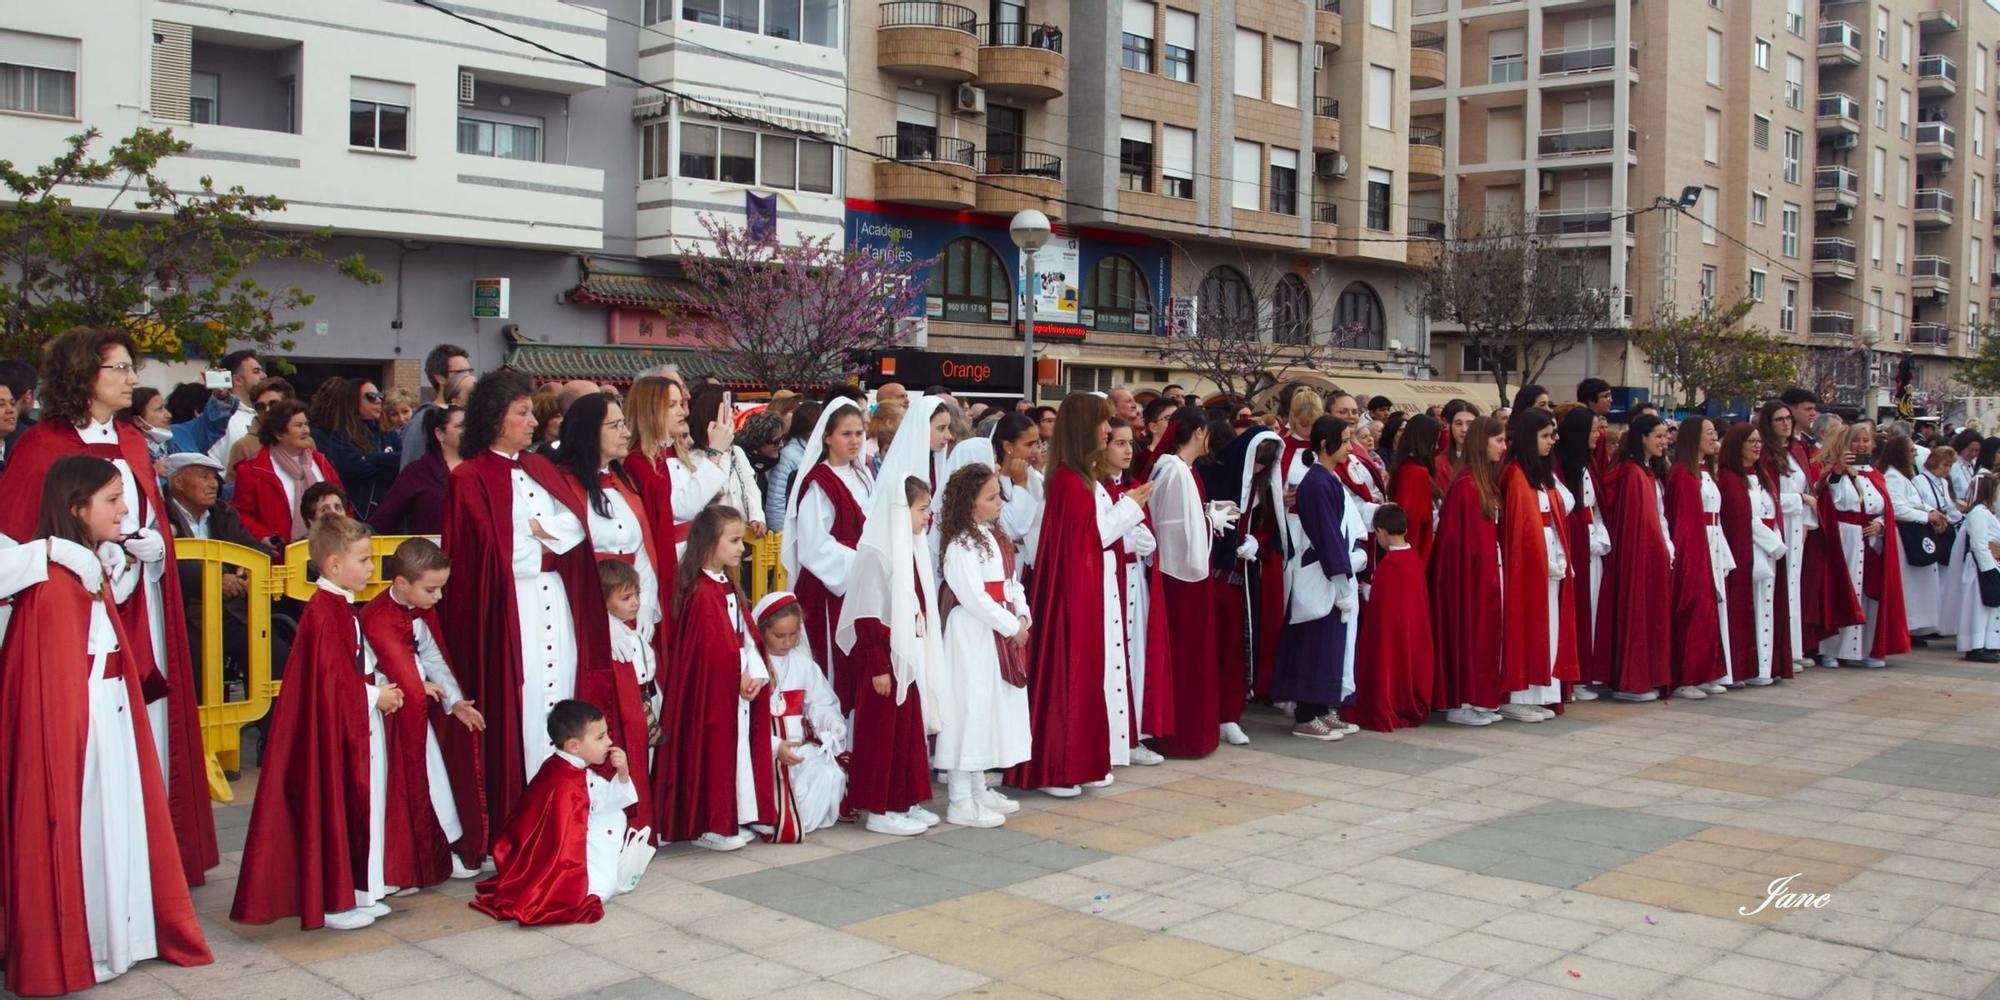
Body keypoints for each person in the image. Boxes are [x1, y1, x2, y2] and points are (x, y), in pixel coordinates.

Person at [0, 327, 217, 885]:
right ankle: (91, 868)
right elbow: (20, 536)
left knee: (148, 727)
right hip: (77, 619)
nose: (131, 378)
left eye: (129, 367)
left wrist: (153, 548)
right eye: (118, 368)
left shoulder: (132, 440)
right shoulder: (43, 445)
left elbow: (147, 518)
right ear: (82, 376)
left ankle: (150, 857)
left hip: (141, 606)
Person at [0, 455, 213, 994]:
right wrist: (53, 550)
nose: (125, 509)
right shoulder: (48, 576)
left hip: (111, 709)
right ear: (77, 508)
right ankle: (88, 940)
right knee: (84, 824)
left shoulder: (85, 563)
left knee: (118, 820)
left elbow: (108, 616)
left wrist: (126, 560)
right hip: (81, 716)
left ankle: (125, 935)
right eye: (113, 500)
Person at [438, 370, 614, 853]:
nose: (532, 421)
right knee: (526, 703)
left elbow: (574, 525)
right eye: (522, 413)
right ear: (496, 419)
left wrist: (542, 540)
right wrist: (539, 544)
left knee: (561, 697)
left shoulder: (541, 469)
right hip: (512, 611)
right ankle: (523, 825)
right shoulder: (469, 477)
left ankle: (566, 815)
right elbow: (490, 553)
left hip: (555, 597)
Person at [232, 515, 404, 931]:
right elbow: (331, 679)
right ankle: (333, 901)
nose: (370, 568)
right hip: (335, 732)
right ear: (332, 565)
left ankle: (359, 891)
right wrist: (374, 695)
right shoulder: (325, 611)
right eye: (363, 560)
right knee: (334, 806)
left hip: (351, 726)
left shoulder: (340, 606)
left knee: (355, 806)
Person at [1007, 393, 1148, 796]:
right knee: (1071, 674)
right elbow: (1092, 537)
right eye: (1103, 422)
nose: (1109, 429)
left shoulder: (1077, 477)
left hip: (1084, 589)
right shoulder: (1070, 480)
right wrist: (1131, 507)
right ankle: (1058, 765)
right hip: (1074, 594)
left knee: (1086, 675)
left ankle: (1079, 761)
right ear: (1085, 426)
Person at [359, 538, 485, 886]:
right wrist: (416, 686)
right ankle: (401, 866)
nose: (439, 598)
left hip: (417, 714)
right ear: (401, 583)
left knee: (435, 785)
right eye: (431, 589)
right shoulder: (377, 617)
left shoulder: (419, 611)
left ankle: (439, 852)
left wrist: (454, 701)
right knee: (401, 790)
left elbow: (432, 657)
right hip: (391, 722)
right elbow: (381, 668)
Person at [657, 505, 771, 850]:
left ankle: (732, 816)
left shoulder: (726, 585)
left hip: (734, 687)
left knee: (732, 753)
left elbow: (742, 635)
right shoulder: (702, 592)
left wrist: (754, 670)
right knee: (713, 753)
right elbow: (707, 651)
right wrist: (735, 674)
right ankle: (711, 823)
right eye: (734, 540)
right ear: (709, 542)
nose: (741, 548)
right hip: (711, 693)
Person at [470, 699, 639, 925]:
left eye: (606, 734)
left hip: (573, 855)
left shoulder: (565, 768)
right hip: (568, 868)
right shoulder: (565, 782)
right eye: (600, 737)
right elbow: (565, 841)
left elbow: (602, 801)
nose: (609, 742)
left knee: (612, 817)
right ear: (574, 747)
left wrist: (623, 773)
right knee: (602, 887)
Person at [934, 465, 1034, 826]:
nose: (999, 503)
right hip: (973, 634)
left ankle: (978, 787)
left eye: (999, 496)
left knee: (989, 707)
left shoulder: (995, 536)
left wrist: (1022, 616)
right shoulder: (961, 544)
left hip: (996, 631)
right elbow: (973, 596)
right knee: (969, 708)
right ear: (969, 503)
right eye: (991, 498)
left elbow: (1012, 583)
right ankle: (960, 798)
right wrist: (1010, 625)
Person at [1145, 406, 1233, 758]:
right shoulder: (1176, 471)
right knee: (1186, 655)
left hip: (1181, 572)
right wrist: (1212, 522)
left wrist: (1208, 514)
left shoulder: (1181, 470)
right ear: (1199, 432)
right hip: (1182, 578)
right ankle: (1182, 733)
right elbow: (1179, 531)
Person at [1273, 414, 1364, 740]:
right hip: (1321, 571)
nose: (1350, 445)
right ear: (1327, 444)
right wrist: (1341, 578)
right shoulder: (1317, 481)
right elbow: (1326, 534)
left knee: (1329, 644)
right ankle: (1306, 714)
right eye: (1346, 438)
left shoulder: (1325, 478)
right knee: (1313, 643)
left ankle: (1323, 707)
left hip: (1328, 568)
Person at [163, 452, 282, 694]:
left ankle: (274, 729)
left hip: (232, 612)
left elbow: (258, 551)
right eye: (204, 477)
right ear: (178, 481)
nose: (214, 484)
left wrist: (247, 569)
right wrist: (213, 580)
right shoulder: (159, 515)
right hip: (184, 616)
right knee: (196, 674)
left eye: (215, 478)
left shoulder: (223, 513)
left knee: (277, 657)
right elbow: (165, 562)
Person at [781, 399, 873, 710]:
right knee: (833, 662)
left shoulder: (862, 475)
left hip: (859, 582)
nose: (854, 440)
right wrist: (861, 564)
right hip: (829, 588)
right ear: (827, 437)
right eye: (846, 433)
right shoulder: (819, 483)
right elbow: (813, 546)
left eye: (859, 433)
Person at [557, 394, 664, 645]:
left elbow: (643, 552)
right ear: (588, 431)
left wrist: (646, 604)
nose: (626, 433)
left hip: (631, 611)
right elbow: (568, 563)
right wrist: (599, 616)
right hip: (584, 615)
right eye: (615, 425)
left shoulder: (624, 484)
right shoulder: (561, 485)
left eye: (624, 423)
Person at [625, 376, 729, 629]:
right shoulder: (640, 461)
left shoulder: (674, 453)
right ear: (651, 410)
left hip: (695, 556)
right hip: (672, 565)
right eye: (672, 405)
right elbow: (682, 507)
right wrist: (715, 453)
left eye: (681, 404)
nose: (683, 411)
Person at [1498, 408, 1577, 722]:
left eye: (1553, 436)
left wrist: (1558, 556)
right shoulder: (1516, 474)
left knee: (1548, 626)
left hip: (1549, 560)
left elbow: (1555, 517)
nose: (1551, 442)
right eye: (1545, 436)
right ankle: (1519, 694)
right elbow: (1522, 528)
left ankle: (1543, 692)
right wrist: (1543, 559)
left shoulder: (1543, 477)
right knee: (1527, 624)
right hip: (1529, 564)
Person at [1810, 422, 1910, 667]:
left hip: (1871, 540)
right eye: (1856, 440)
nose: (1861, 444)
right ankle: (1833, 649)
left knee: (1868, 592)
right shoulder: (1836, 472)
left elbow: (1886, 508)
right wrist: (1837, 471)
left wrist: (1882, 525)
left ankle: (1864, 649)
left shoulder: (1876, 475)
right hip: (1844, 537)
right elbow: (1830, 498)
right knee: (1843, 588)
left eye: (1866, 440)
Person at [751, 593, 848, 837]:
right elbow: (745, 720)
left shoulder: (804, 665)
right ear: (762, 631)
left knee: (830, 774)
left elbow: (820, 703)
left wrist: (832, 725)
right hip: (762, 750)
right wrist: (774, 746)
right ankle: (777, 818)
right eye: (779, 636)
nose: (787, 642)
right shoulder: (751, 665)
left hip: (799, 748)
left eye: (793, 635)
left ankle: (796, 821)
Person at [1433, 416, 1506, 726]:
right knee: (1470, 635)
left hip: (1484, 573)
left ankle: (1478, 696)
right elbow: (1457, 544)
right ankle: (1462, 700)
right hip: (1468, 578)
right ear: (1482, 443)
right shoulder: (1466, 487)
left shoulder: (1482, 483)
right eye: (1498, 441)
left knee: (1484, 638)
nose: (1503, 447)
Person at [1597, 414, 1676, 702]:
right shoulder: (1632, 473)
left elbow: (1657, 516)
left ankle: (1648, 675)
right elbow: (1638, 522)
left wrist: (1666, 547)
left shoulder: (1648, 472)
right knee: (1638, 613)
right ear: (1642, 437)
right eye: (1657, 435)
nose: (1664, 441)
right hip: (1640, 555)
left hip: (1654, 554)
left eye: (1665, 435)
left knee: (1652, 616)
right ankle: (1633, 679)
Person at [1346, 504, 1434, 732]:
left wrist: (1365, 590)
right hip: (1412, 636)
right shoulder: (1413, 560)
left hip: (1390, 638)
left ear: (1382, 531)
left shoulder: (1390, 565)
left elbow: (1381, 606)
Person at [1717, 423, 1791, 688]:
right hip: (1750, 549)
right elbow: (1743, 518)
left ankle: (1766, 665)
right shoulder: (1730, 479)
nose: (1758, 446)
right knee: (1749, 608)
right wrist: (1776, 544)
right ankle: (1745, 668)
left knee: (1767, 607)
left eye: (1759, 441)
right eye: (1751, 441)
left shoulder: (1762, 477)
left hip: (1767, 548)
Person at [1664, 416, 1734, 697]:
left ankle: (1706, 670)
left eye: (1714, 432)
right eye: (1708, 432)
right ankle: (1686, 676)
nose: (1713, 437)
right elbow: (1682, 519)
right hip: (1696, 545)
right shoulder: (1683, 474)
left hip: (1712, 542)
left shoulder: (1704, 471)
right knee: (1694, 608)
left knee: (1710, 609)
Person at [596, 559, 658, 837]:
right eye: (625, 597)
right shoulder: (609, 634)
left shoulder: (628, 629)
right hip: (629, 707)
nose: (635, 603)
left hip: (645, 698)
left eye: (636, 595)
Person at [233, 399, 342, 550]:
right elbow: (241, 515)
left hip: (330, 551)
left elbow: (342, 501)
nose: (306, 430)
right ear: (278, 433)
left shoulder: (320, 461)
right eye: (299, 425)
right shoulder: (252, 470)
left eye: (306, 424)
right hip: (281, 557)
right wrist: (263, 535)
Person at [1553, 407, 1609, 696]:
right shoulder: (1563, 465)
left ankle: (1587, 671)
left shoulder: (1590, 464)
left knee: (1592, 605)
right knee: (1578, 607)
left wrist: (1599, 533)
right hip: (1576, 540)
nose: (1598, 436)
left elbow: (1596, 505)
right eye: (1592, 430)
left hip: (1592, 541)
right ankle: (1574, 677)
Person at [1758, 401, 1815, 668]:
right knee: (1782, 584)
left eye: (1788, 418)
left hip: (1796, 524)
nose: (1785, 423)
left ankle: (1793, 649)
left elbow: (1808, 487)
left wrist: (1806, 521)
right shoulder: (1766, 454)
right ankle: (1780, 650)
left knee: (1794, 584)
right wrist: (1801, 499)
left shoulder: (1797, 451)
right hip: (1778, 524)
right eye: (1779, 419)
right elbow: (1770, 494)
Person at [1882, 435, 1949, 640]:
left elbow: (1916, 501)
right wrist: (1926, 516)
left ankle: (1918, 626)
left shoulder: (1904, 476)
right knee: (1909, 584)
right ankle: (1909, 626)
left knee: (1920, 582)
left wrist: (1933, 513)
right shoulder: (1892, 477)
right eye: (1911, 450)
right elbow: (1898, 508)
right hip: (1905, 535)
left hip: (1916, 530)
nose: (1914, 454)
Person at [308, 377, 400, 517]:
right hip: (360, 516)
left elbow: (404, 461)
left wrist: (373, 459)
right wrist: (387, 463)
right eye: (371, 397)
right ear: (354, 401)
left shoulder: (389, 433)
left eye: (380, 396)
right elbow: (356, 470)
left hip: (393, 513)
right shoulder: (341, 436)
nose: (378, 401)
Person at [370, 404, 464, 536]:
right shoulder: (417, 472)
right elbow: (384, 519)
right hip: (430, 553)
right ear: (440, 434)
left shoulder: (481, 470)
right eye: (461, 426)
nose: (469, 430)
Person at [689, 385, 766, 535]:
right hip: (711, 537)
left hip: (742, 533)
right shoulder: (693, 457)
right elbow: (716, 490)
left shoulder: (736, 452)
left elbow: (751, 488)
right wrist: (716, 452)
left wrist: (757, 517)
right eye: (729, 410)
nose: (734, 415)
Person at [400, 345, 474, 468]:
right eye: (462, 372)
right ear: (440, 378)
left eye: (470, 371)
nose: (469, 377)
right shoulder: (423, 420)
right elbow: (410, 471)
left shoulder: (469, 415)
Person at [1954, 473, 2000, 661]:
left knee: (1989, 607)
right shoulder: (1978, 513)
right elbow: (1979, 544)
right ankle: (1975, 646)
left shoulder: (1985, 512)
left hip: (1990, 563)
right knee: (1978, 609)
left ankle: (1988, 643)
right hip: (1981, 567)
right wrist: (1989, 569)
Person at [1388, 413, 1443, 560]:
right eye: (1434, 441)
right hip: (1416, 549)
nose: (1436, 446)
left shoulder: (1405, 466)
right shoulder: (1416, 471)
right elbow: (1411, 519)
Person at [199, 349, 267, 465]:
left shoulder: (262, 415)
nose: (264, 376)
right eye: (256, 371)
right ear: (237, 380)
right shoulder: (220, 420)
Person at [764, 399, 820, 528]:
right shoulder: (788, 456)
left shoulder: (816, 453)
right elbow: (776, 500)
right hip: (790, 532)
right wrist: (780, 534)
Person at [121, 385, 174, 473]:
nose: (168, 415)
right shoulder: (130, 453)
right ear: (138, 421)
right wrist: (153, 473)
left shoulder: (168, 445)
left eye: (165, 407)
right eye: (159, 409)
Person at [1435, 399, 1479, 489]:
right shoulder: (1440, 464)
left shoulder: (1488, 459)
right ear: (1449, 426)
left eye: (1470, 424)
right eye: (1458, 423)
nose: (1464, 429)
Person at [1779, 388, 1823, 479]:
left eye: (1814, 409)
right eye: (1808, 409)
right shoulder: (1776, 443)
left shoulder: (1808, 443)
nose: (1813, 413)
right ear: (1790, 410)